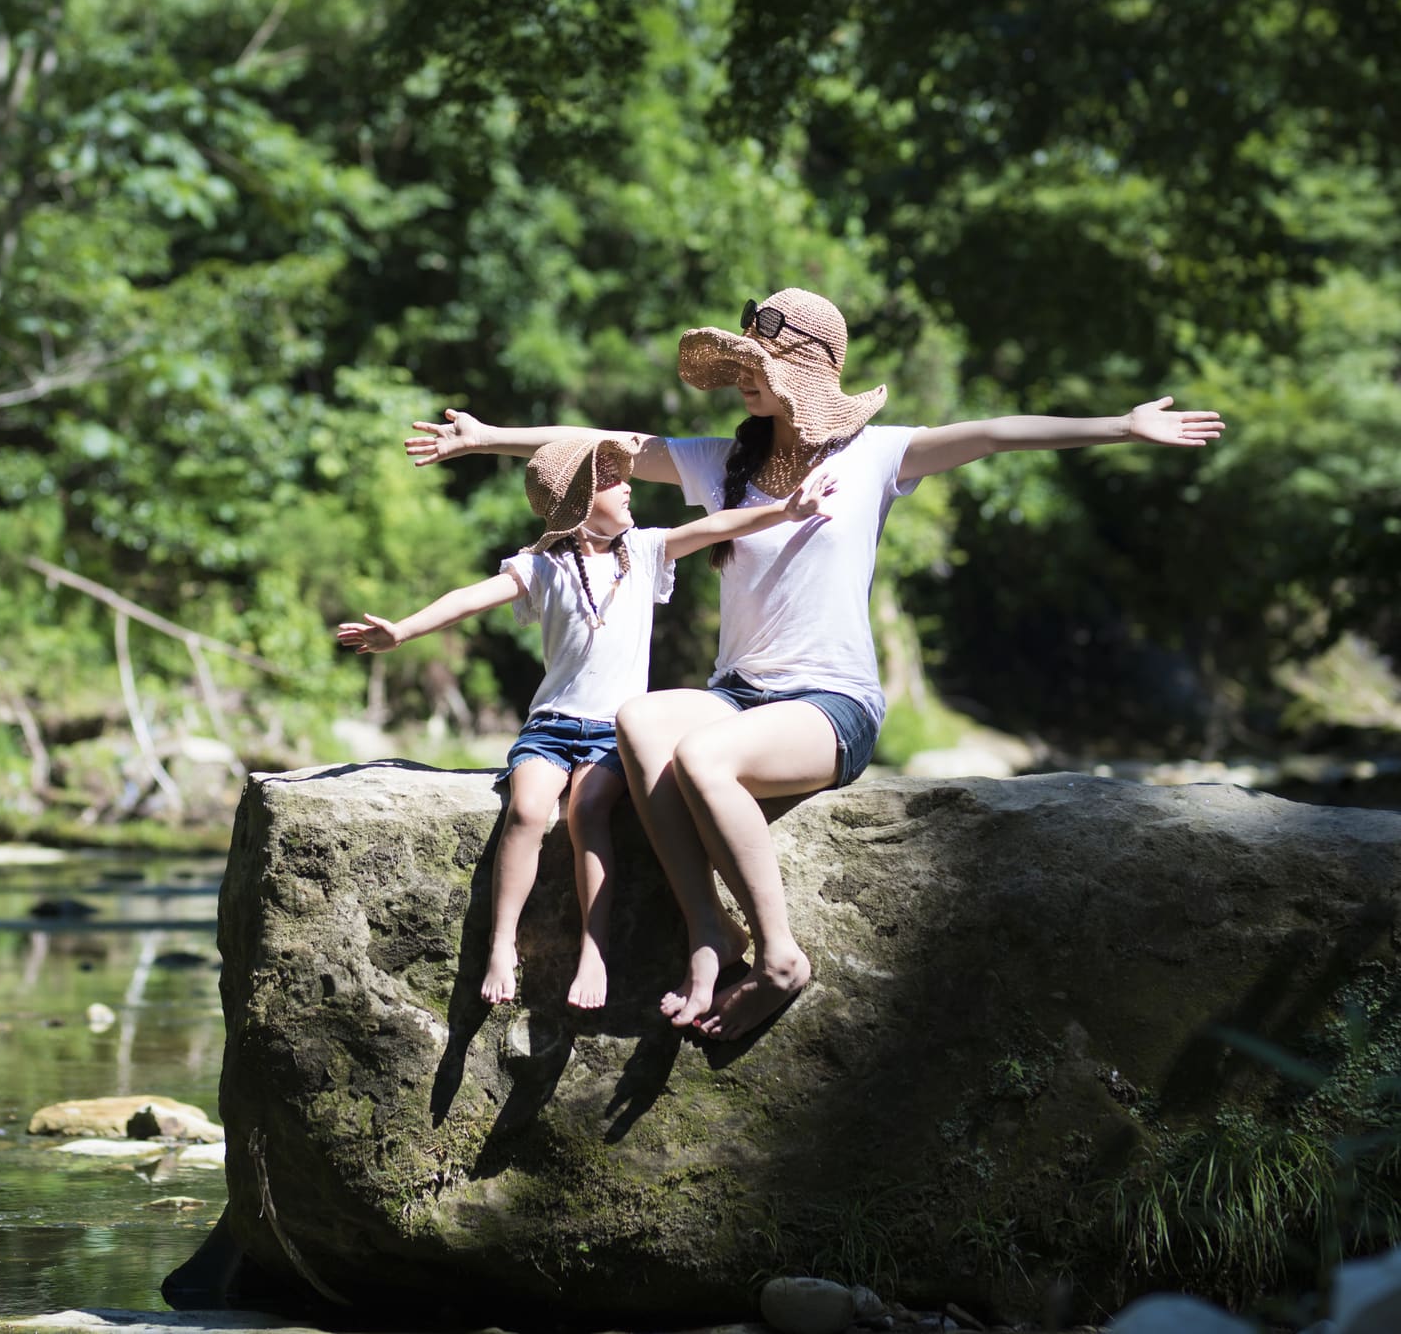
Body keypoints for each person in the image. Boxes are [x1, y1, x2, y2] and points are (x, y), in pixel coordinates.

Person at [404, 288, 1225, 1039]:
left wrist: (1121, 425)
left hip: (829, 706)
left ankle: (780, 953)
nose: (742, 384)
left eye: (756, 369)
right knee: (640, 719)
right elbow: (602, 447)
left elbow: (995, 433)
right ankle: (707, 931)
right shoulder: (721, 463)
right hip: (739, 694)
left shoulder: (875, 456)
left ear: (808, 374)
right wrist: (487, 441)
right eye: (739, 369)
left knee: (701, 757)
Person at [337, 435, 837, 1010]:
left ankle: (592, 951)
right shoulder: (541, 567)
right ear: (578, 499)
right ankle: (503, 944)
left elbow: (716, 528)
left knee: (588, 810)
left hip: (614, 733)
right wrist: (402, 630)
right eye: (611, 480)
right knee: (526, 811)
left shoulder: (646, 552)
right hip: (550, 725)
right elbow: (469, 598)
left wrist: (788, 509)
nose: (629, 486)